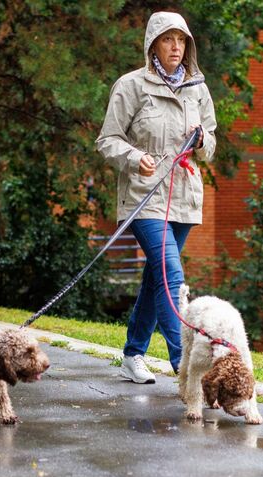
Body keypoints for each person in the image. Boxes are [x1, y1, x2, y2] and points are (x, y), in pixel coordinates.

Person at [96, 10, 217, 384]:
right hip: (143, 198)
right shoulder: (131, 86)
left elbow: (211, 143)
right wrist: (135, 157)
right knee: (171, 275)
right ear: (153, 45)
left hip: (183, 198)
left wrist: (201, 141)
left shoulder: (198, 88)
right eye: (168, 39)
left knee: (156, 277)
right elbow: (107, 140)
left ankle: (134, 353)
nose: (176, 47)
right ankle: (187, 364)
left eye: (181, 40)